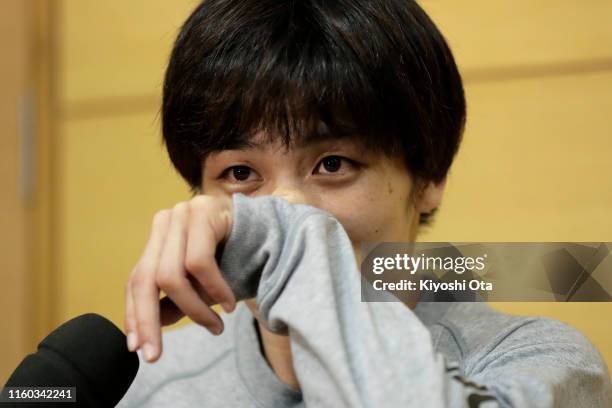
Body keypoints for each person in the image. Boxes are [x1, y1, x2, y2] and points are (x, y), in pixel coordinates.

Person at [117, 0, 612, 406]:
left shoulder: (537, 361)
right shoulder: (151, 384)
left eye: (333, 164)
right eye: (240, 174)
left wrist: (291, 244)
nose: (283, 209)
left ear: (428, 177)